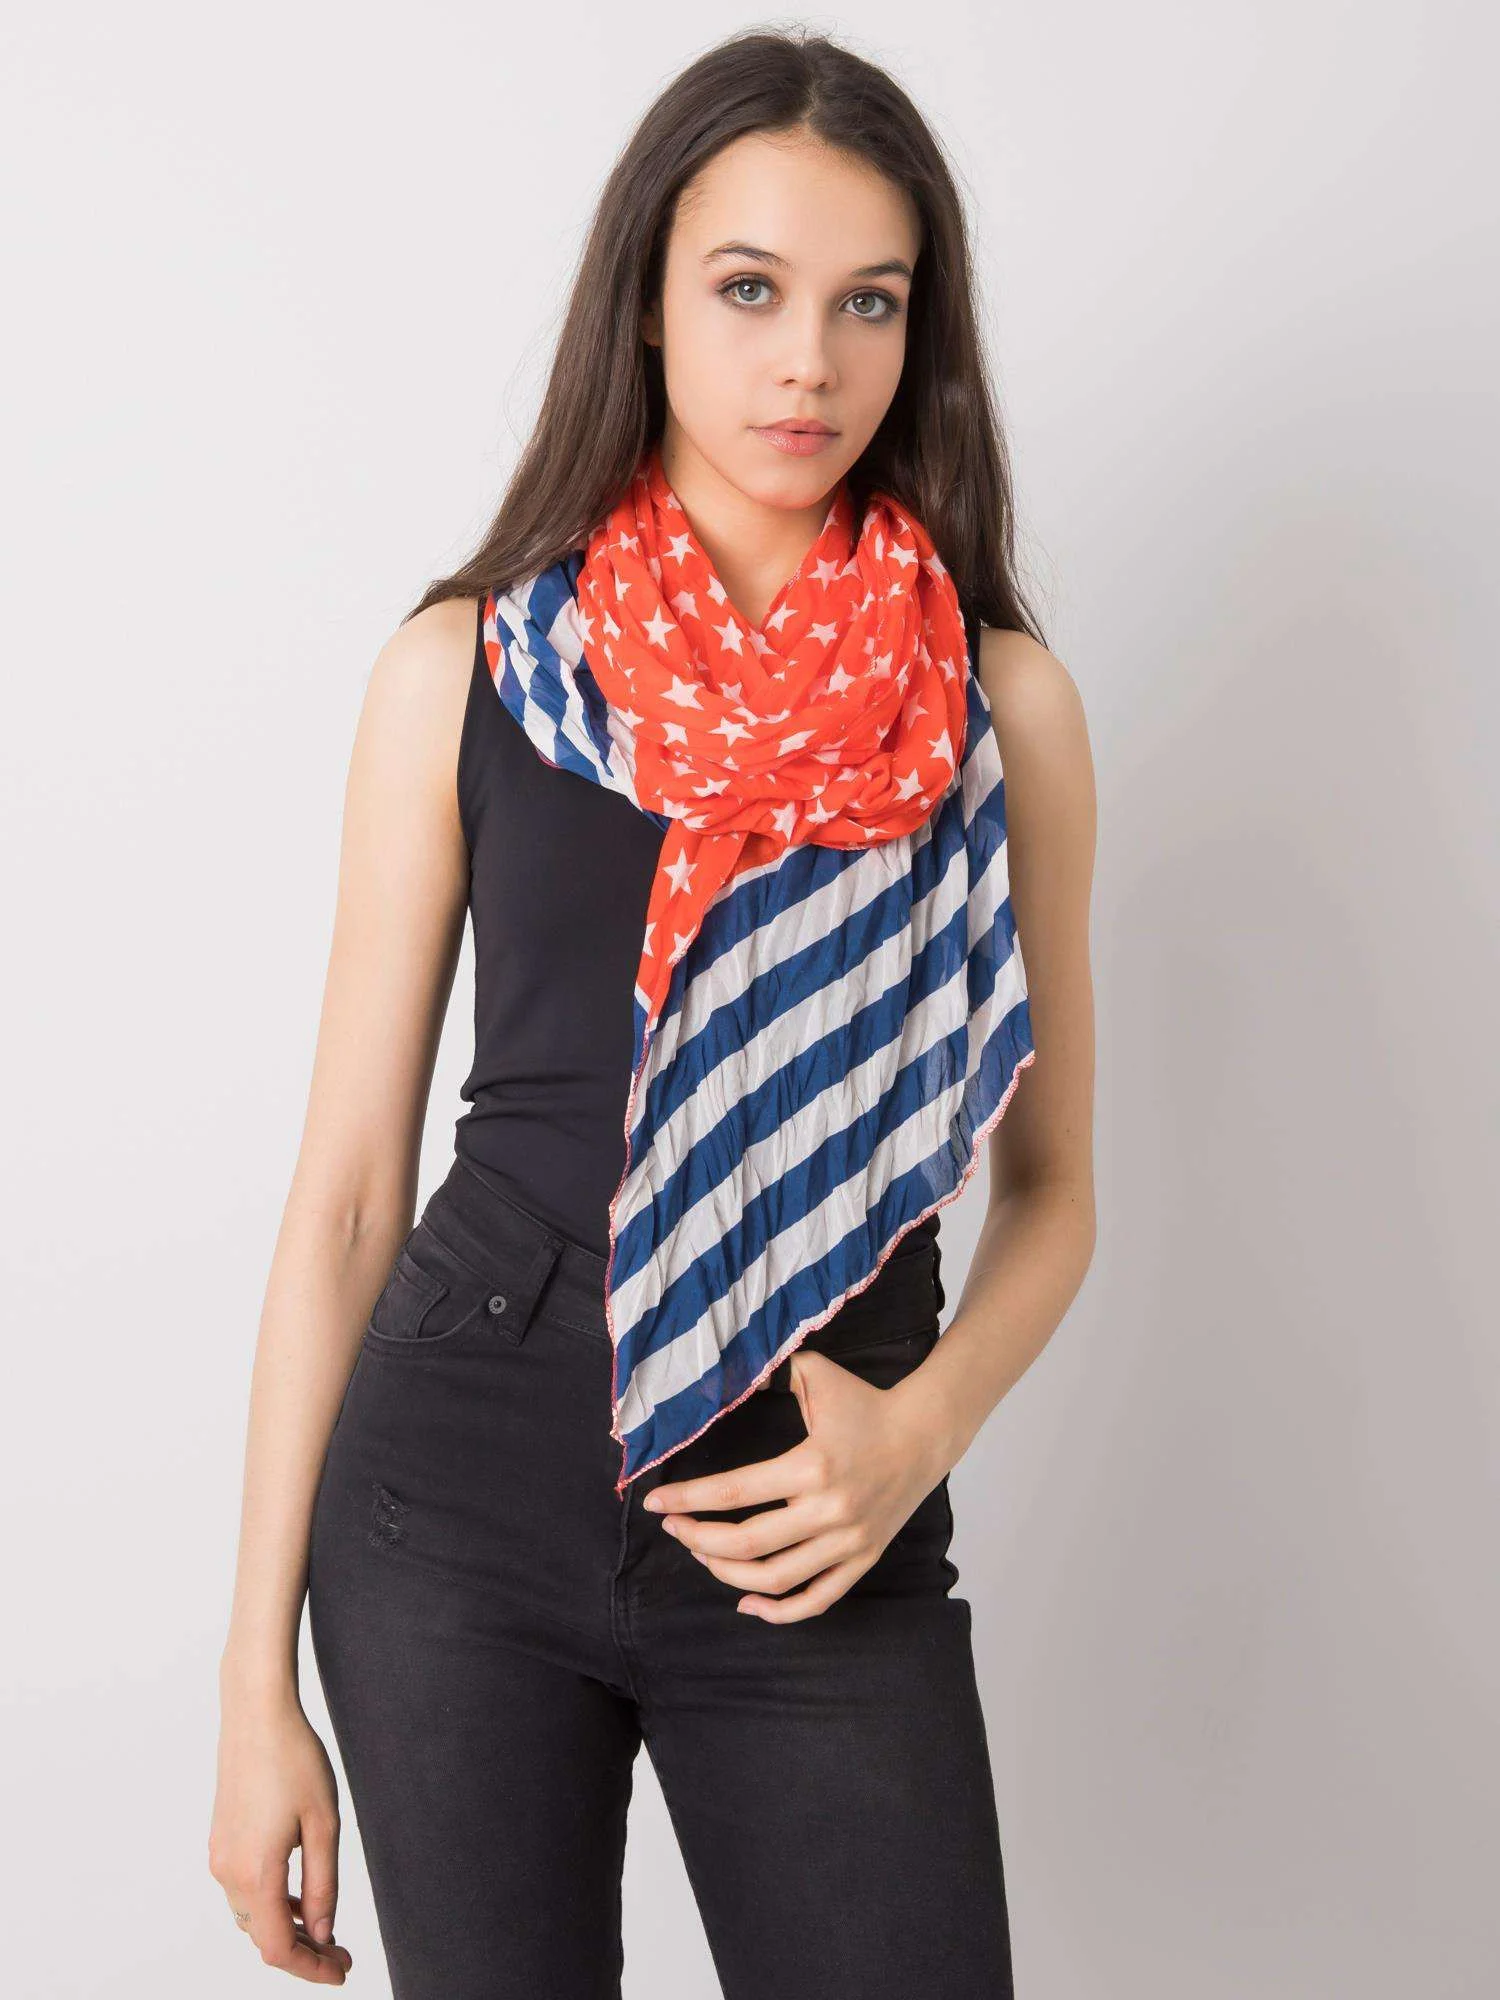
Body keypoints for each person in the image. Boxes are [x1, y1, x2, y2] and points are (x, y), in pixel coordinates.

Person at [208, 26, 1096, 1997]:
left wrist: (919, 1433)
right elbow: (347, 1200)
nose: (811, 364)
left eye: (870, 302)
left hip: (818, 1500)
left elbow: (1055, 1191)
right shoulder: (467, 671)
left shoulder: (998, 713)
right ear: (649, 301)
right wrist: (253, 1684)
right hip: (458, 1490)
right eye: (750, 289)